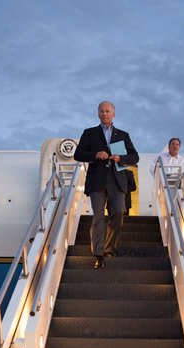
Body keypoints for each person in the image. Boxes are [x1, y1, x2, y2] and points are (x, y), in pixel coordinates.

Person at [74, 101, 139, 269]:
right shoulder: (89, 133)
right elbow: (78, 154)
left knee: (118, 213)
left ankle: (110, 247)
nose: (105, 114)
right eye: (102, 111)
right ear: (98, 114)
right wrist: (95, 154)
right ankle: (98, 253)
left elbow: (135, 157)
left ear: (113, 114)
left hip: (117, 181)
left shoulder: (123, 135)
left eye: (108, 111)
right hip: (97, 181)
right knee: (99, 217)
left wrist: (121, 159)